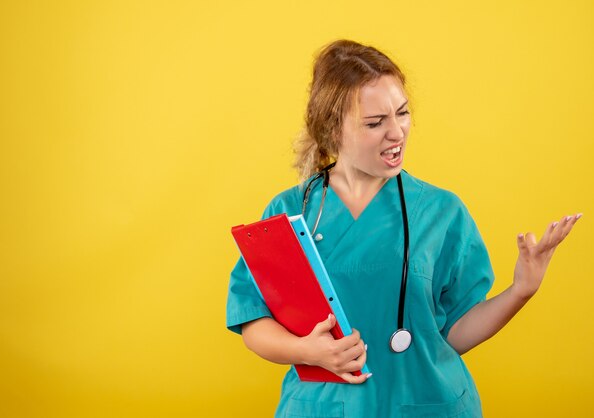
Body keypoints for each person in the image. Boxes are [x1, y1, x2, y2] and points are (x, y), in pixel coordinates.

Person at [225, 39, 580, 417]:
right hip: (325, 407)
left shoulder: (442, 212)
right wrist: (306, 351)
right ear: (332, 129)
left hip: (428, 404)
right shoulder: (291, 211)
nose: (397, 133)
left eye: (403, 113)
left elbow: (452, 335)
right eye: (376, 123)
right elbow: (253, 319)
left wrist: (521, 290)